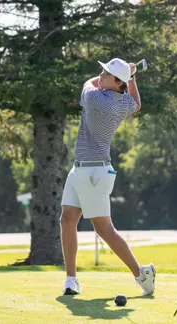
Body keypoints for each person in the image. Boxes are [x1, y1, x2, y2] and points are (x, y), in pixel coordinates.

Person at [60, 58, 155, 296]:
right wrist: (132, 77)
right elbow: (136, 103)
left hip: (94, 172)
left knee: (103, 228)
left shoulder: (94, 98)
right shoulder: (122, 102)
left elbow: (87, 82)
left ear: (116, 82)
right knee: (67, 219)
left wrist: (128, 74)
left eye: (107, 73)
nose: (101, 75)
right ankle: (71, 280)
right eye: (103, 71)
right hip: (80, 168)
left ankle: (140, 273)